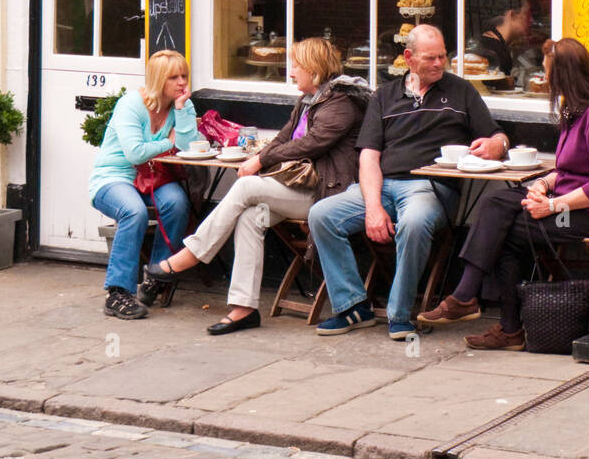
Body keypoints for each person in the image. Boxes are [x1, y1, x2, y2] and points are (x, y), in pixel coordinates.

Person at [141, 38, 370, 334]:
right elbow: (283, 138)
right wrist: (262, 156)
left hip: (327, 192)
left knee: (247, 188)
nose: (291, 73)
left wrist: (259, 161)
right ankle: (243, 308)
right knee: (251, 216)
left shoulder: (341, 101)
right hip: (299, 187)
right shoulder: (308, 100)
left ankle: (189, 257)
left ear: (313, 69)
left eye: (296, 67)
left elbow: (311, 144)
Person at [419, 37, 589, 350]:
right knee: (497, 205)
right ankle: (479, 307)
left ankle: (488, 312)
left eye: (549, 74)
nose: (546, 81)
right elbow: (569, 169)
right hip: (569, 204)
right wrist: (543, 185)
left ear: (565, 76)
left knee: (503, 229)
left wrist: (552, 206)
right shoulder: (577, 112)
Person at [308, 24, 509, 339]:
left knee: (414, 223)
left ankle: (399, 314)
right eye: (430, 58)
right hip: (381, 185)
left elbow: (497, 135)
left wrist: (498, 145)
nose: (439, 63)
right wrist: (373, 207)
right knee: (322, 214)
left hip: (430, 188)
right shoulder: (384, 97)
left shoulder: (461, 91)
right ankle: (352, 307)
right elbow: (369, 157)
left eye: (443, 56)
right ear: (409, 58)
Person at [88, 50, 197, 320]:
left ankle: (156, 275)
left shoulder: (180, 105)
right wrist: (168, 143)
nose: (182, 82)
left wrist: (182, 111)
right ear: (159, 80)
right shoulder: (132, 104)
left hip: (152, 177)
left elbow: (188, 146)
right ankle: (117, 292)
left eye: (184, 75)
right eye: (174, 77)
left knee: (177, 203)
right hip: (114, 177)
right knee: (133, 211)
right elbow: (135, 153)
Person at [478, 3, 532, 77]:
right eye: (527, 15)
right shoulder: (489, 50)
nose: (531, 20)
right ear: (511, 14)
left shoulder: (497, 45)